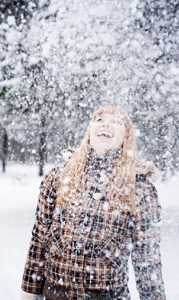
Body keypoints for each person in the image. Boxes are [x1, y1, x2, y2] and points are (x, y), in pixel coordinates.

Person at [21, 105, 166, 300]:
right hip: (55, 295)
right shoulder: (58, 178)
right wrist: (29, 294)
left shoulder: (139, 189)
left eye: (116, 121)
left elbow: (147, 261)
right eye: (99, 119)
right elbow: (39, 241)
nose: (106, 123)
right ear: (89, 131)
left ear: (126, 137)